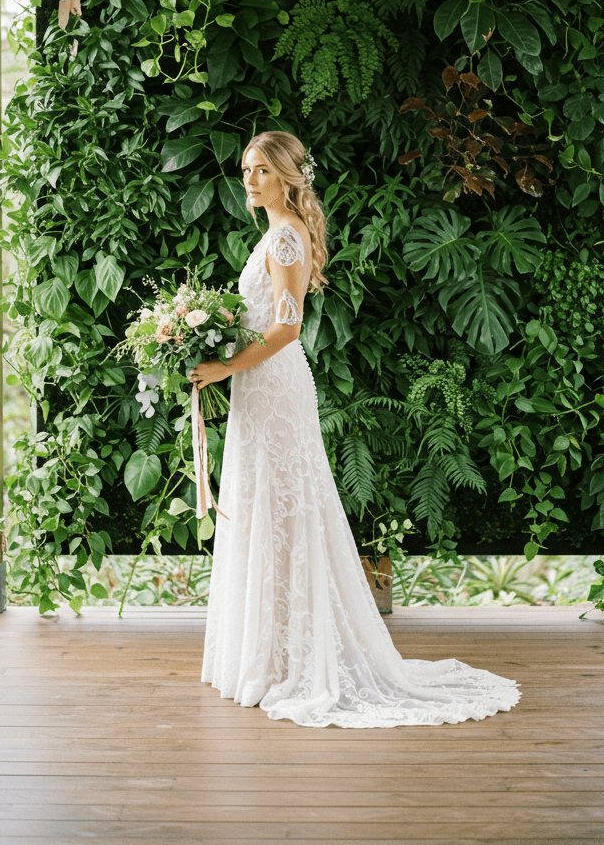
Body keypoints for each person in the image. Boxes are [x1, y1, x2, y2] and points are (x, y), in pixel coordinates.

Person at [189, 130, 520, 728]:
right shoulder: (274, 233)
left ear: (288, 177)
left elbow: (287, 329)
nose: (249, 179)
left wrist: (221, 366)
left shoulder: (286, 238)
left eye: (262, 170)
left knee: (287, 504)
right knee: (267, 503)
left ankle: (293, 658)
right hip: (259, 387)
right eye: (246, 169)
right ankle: (270, 652)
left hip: (276, 386)